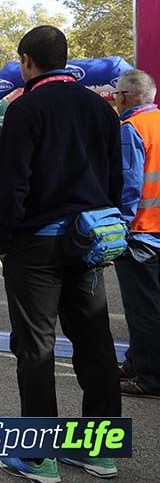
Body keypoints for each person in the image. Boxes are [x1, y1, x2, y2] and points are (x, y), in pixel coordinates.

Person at [0, 26, 123, 482]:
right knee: (95, 342)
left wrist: (2, 241)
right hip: (89, 239)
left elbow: (11, 185)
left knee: (36, 346)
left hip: (37, 245)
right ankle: (100, 451)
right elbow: (114, 179)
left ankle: (38, 455)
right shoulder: (101, 110)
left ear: (27, 61)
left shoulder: (24, 110)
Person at [113, 69, 160, 400]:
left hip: (142, 231)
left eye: (116, 94)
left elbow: (129, 188)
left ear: (126, 97)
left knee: (143, 308)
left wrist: (119, 228)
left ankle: (149, 375)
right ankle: (136, 361)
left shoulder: (131, 129)